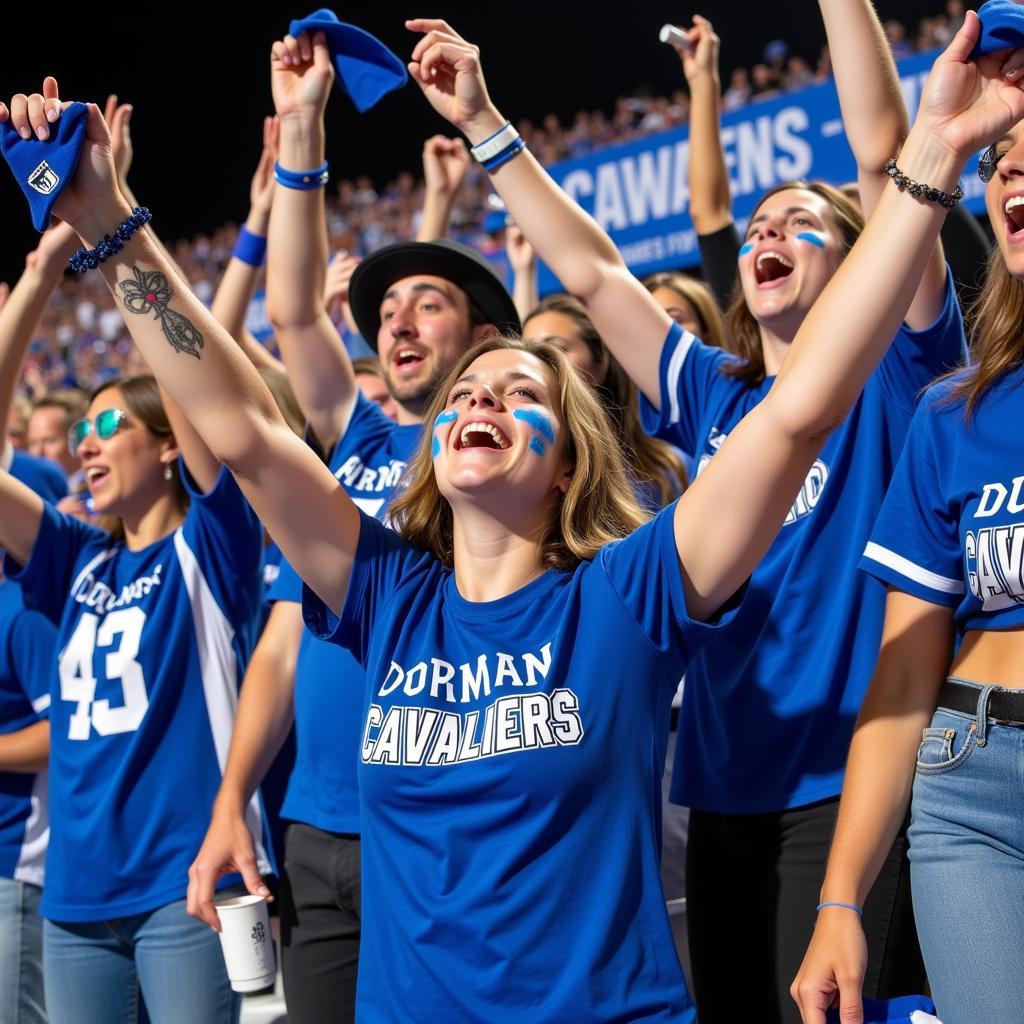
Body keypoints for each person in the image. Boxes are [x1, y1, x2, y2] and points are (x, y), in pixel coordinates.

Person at [18, 7, 1019, 1018]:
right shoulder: (386, 592)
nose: (477, 401)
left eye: (519, 392)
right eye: (462, 397)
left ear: (572, 458)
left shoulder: (629, 594)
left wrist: (933, 146)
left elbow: (802, 410)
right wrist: (111, 226)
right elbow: (239, 425)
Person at [467, 6, 959, 1019]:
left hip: (851, 780)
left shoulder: (895, 374)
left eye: (800, 222)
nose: (767, 231)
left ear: (861, 258)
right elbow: (598, 274)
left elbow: (884, 160)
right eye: (758, 224)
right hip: (721, 787)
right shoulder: (710, 395)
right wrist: (484, 126)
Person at [185, 29, 518, 1024]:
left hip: (437, 822)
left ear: (487, 338)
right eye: (388, 312)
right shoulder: (357, 440)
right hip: (314, 829)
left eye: (429, 303)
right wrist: (301, 131)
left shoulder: (499, 464)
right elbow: (293, 314)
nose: (399, 324)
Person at [792, 97, 1024, 1024]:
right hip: (973, 791)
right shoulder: (954, 412)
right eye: (1003, 159)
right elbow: (901, 679)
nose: (1010, 171)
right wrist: (841, 898)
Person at [523, 293, 686, 507]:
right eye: (529, 354)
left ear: (600, 365)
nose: (539, 364)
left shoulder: (666, 467)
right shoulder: (519, 463)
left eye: (556, 349)